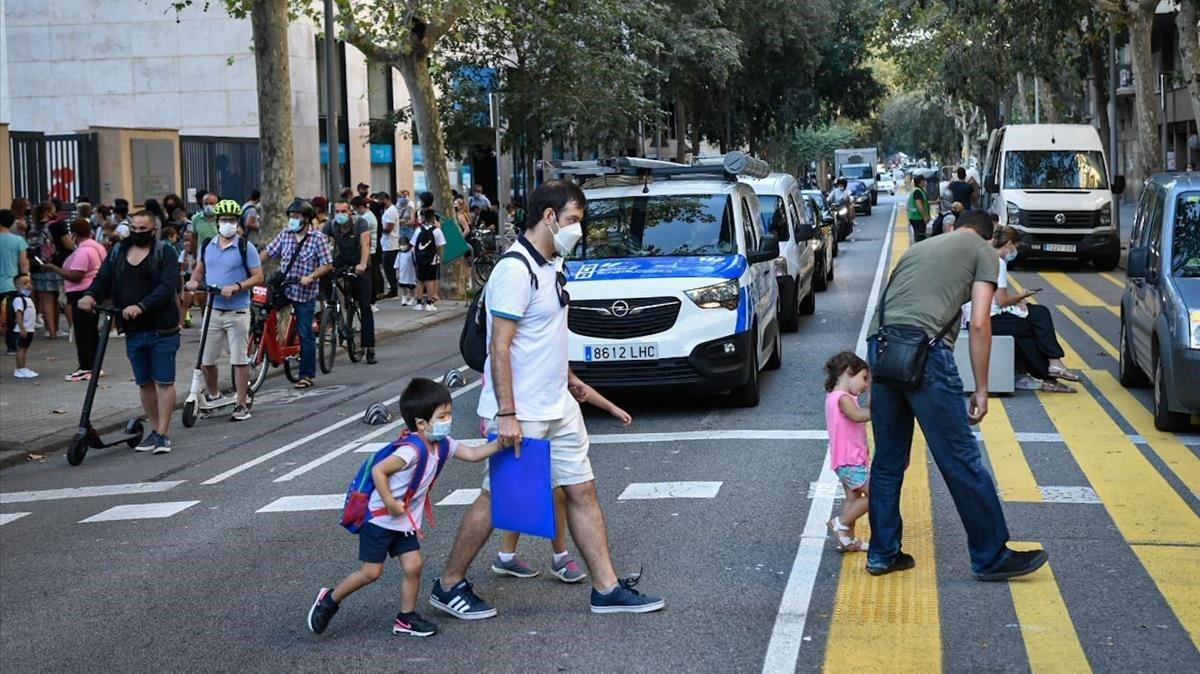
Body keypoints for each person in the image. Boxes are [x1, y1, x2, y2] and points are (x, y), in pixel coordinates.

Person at [429, 180, 664, 619]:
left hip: (558, 403)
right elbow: (499, 348)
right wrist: (508, 414)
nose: (578, 229)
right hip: (523, 410)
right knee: (498, 500)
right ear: (550, 216)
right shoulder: (515, 270)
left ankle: (607, 589)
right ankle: (448, 584)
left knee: (582, 490)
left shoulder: (554, 264)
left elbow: (544, 338)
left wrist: (571, 381)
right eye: (573, 219)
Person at [866, 209, 1047, 581]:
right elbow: (981, 321)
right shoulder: (982, 252)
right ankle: (991, 555)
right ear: (986, 235)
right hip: (925, 353)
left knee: (887, 459)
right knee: (961, 458)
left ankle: (883, 554)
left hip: (882, 348)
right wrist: (981, 388)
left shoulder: (920, 248)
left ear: (955, 227)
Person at [306, 378, 508, 637]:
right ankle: (330, 599)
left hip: (404, 522)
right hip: (380, 520)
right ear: (421, 423)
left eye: (450, 413)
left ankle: (406, 617)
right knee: (371, 572)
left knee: (414, 565)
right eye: (443, 415)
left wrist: (499, 444)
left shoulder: (443, 444)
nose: (449, 419)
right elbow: (380, 470)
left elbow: (471, 454)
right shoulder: (411, 451)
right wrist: (390, 502)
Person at [492, 375, 632, 583]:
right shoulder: (518, 359)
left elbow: (572, 380)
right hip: (523, 419)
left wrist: (610, 407)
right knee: (532, 493)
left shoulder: (552, 363)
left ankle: (509, 555)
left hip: (543, 419)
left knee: (538, 492)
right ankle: (558, 558)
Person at [79, 210, 182, 454]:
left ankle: (164, 434)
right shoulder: (118, 252)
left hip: (161, 329)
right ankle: (154, 430)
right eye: (133, 228)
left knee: (163, 381)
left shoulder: (165, 251)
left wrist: (142, 305)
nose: (137, 233)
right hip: (133, 330)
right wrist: (90, 295)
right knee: (144, 383)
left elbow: (168, 287)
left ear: (153, 230)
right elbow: (103, 278)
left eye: (142, 229)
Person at [185, 200, 265, 421]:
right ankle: (215, 396)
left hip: (237, 311)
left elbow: (258, 276)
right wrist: (193, 281)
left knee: (239, 359)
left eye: (230, 220)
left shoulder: (244, 247)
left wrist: (237, 287)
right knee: (206, 360)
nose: (226, 224)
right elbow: (200, 269)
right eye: (223, 220)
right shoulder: (208, 244)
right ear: (217, 222)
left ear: (237, 222)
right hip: (213, 309)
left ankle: (241, 403)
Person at [982, 227, 1080, 393]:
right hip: (989, 318)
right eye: (1017, 247)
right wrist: (1021, 296)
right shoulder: (998, 262)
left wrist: (1017, 302)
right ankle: (1050, 369)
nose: (1016, 251)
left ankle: (1050, 367)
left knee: (1038, 313)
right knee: (1034, 325)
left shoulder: (987, 257)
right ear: (1009, 244)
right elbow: (1001, 300)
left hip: (982, 314)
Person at [262, 198, 333, 390]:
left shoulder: (317, 238)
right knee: (263, 309)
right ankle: (267, 346)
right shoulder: (285, 234)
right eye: (291, 216)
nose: (293, 219)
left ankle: (306, 375)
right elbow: (268, 253)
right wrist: (251, 266)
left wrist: (311, 276)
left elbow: (327, 264)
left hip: (305, 292)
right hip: (285, 287)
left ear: (307, 219)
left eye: (297, 216)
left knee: (305, 333)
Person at [42, 219, 106, 381]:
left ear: (74, 235)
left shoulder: (84, 251)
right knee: (91, 331)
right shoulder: (97, 247)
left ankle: (86, 366)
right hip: (92, 292)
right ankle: (95, 365)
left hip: (81, 294)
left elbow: (76, 275)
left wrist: (53, 268)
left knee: (83, 331)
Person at [823, 351, 871, 553]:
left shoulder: (838, 397)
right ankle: (840, 523)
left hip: (847, 461)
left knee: (853, 498)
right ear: (848, 372)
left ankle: (847, 540)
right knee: (877, 495)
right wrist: (878, 407)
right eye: (864, 378)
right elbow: (858, 416)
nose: (866, 385)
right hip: (850, 461)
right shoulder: (842, 398)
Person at [322, 198, 377, 364]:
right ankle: (331, 307)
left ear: (350, 212)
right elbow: (320, 243)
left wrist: (362, 264)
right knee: (323, 276)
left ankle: (369, 346)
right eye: (337, 212)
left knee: (364, 305)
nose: (340, 215)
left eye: (343, 211)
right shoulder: (331, 226)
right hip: (342, 260)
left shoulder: (360, 223)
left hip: (360, 263)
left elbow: (366, 244)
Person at [0, 209, 30, 347]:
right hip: (12, 284)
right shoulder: (18, 240)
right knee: (11, 317)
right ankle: (11, 346)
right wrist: (25, 278)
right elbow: (23, 262)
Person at [411, 208, 446, 311]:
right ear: (434, 218)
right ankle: (429, 303)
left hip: (420, 259)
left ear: (423, 218)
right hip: (433, 259)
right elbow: (440, 246)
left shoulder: (418, 230)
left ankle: (418, 302)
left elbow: (413, 245)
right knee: (430, 280)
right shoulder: (437, 231)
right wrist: (439, 257)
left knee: (420, 280)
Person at [352, 196, 382, 306]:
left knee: (369, 278)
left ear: (359, 207)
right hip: (371, 249)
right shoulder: (367, 216)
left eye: (355, 208)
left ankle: (370, 301)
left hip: (369, 250)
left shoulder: (366, 219)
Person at [9, 273, 38, 378]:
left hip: (28, 329)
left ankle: (23, 367)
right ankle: (20, 369)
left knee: (24, 349)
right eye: (25, 283)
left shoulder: (28, 299)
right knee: (21, 349)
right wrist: (22, 329)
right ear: (17, 286)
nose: (29, 285)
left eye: (30, 283)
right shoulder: (18, 300)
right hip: (22, 329)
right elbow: (19, 315)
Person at [378, 193, 401, 299]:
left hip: (391, 243)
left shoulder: (391, 211)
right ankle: (393, 288)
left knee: (389, 268)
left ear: (387, 199)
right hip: (386, 243)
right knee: (387, 268)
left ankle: (393, 288)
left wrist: (379, 229)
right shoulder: (387, 211)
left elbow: (389, 228)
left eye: (381, 201)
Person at [393, 233, 417, 307]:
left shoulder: (411, 253)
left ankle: (413, 298)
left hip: (411, 273)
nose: (402, 246)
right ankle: (404, 298)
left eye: (404, 244)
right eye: (401, 245)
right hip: (402, 274)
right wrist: (397, 273)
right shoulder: (399, 254)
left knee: (411, 286)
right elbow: (397, 265)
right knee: (403, 286)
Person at [907, 174, 930, 241]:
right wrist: (924, 217)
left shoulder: (918, 190)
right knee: (920, 237)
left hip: (915, 217)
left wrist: (934, 202)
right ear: (921, 182)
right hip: (917, 218)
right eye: (924, 181)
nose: (925, 182)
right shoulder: (917, 191)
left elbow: (924, 202)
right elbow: (919, 205)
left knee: (919, 236)